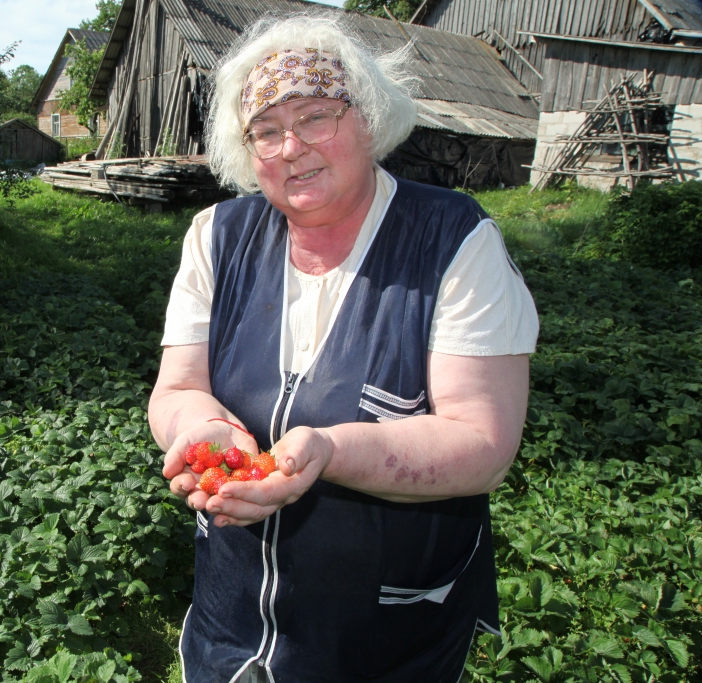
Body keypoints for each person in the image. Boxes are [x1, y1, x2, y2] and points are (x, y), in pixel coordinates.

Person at [147, 11, 539, 683]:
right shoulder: (216, 235)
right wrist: (205, 429)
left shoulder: (454, 242)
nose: (291, 146)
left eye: (316, 117)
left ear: (369, 120)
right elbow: (178, 386)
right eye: (265, 132)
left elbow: (483, 444)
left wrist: (329, 450)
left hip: (386, 639)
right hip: (231, 620)